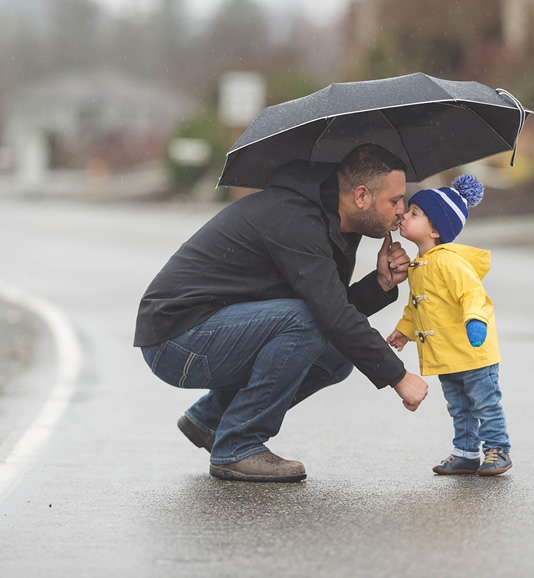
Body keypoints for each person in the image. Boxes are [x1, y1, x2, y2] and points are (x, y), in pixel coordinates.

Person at [134, 144, 428, 483]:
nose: (402, 212)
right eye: (395, 201)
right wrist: (398, 377)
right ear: (361, 196)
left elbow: (329, 305)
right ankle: (238, 444)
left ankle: (211, 420)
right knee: (306, 321)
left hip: (208, 330)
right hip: (176, 340)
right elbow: (326, 314)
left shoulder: (336, 224)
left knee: (335, 356)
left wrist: (379, 284)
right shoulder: (297, 219)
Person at [386, 175, 512, 476]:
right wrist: (405, 330)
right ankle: (466, 453)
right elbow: (416, 306)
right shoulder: (419, 264)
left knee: (484, 403)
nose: (404, 214)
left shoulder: (450, 262)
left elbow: (473, 294)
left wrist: (475, 321)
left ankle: (497, 449)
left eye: (414, 213)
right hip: (448, 356)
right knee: (459, 407)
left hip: (473, 351)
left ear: (435, 230)